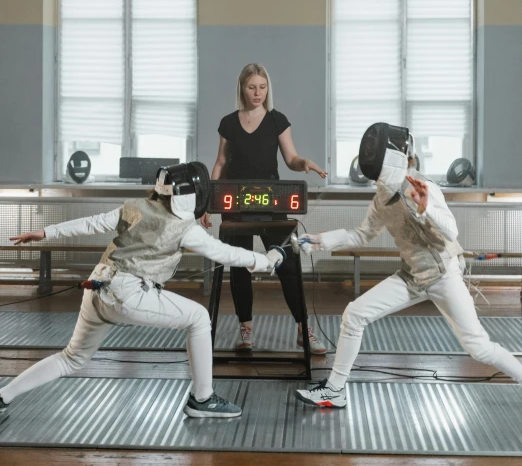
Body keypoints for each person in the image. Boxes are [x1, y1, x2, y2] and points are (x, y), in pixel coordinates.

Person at [0, 162, 283, 421]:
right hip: (128, 294)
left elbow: (92, 223)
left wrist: (46, 232)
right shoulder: (185, 228)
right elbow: (225, 253)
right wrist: (265, 260)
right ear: (191, 196)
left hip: (97, 286)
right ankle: (203, 399)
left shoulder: (135, 206)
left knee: (72, 358)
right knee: (198, 318)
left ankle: (3, 396)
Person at [294, 122, 522, 408]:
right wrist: (320, 240)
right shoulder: (382, 198)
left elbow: (452, 232)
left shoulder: (420, 186)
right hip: (412, 275)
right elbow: (361, 234)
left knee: (478, 347)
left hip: (443, 275)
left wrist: (425, 209)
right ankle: (335, 390)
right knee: (355, 314)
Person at [201, 62, 328, 354]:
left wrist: (304, 163)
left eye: (262, 87)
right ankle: (246, 330)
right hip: (234, 200)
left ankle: (302, 329)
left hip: (271, 202)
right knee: (239, 267)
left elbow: (291, 158)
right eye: (251, 87)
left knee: (287, 264)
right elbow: (220, 163)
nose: (257, 93)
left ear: (267, 89)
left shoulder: (276, 120)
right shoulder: (229, 123)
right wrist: (208, 200)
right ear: (242, 89)